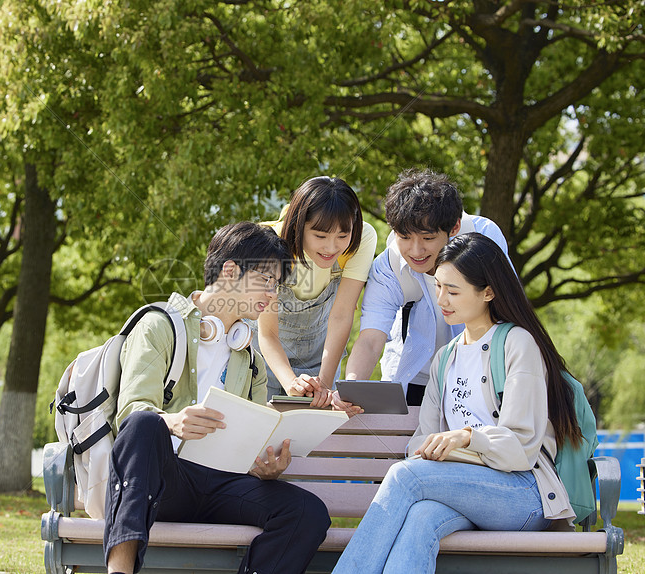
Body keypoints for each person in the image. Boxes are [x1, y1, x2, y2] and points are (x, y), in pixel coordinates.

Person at [332, 233, 581, 574]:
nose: (441, 300)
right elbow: (421, 441)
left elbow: (520, 448)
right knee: (420, 518)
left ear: (488, 292)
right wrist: (437, 450)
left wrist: (465, 438)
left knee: (404, 477)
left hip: (522, 494)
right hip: (462, 488)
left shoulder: (516, 344)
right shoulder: (444, 359)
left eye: (453, 291)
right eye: (438, 287)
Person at [104, 222, 331, 574]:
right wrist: (173, 422)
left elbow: (251, 434)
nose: (273, 294)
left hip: (222, 482)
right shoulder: (159, 325)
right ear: (229, 271)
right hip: (165, 481)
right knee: (144, 424)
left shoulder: (250, 355)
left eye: (277, 285)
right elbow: (131, 413)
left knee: (307, 512)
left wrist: (266, 466)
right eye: (266, 280)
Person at [343, 168, 508, 407]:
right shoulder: (388, 267)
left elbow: (506, 311)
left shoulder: (484, 238)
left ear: (454, 228)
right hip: (412, 378)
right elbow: (370, 340)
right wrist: (353, 390)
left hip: (479, 375)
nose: (416, 251)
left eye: (428, 238)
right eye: (405, 237)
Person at [254, 176, 377, 405]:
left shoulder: (362, 239)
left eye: (342, 236)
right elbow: (267, 333)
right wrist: (291, 383)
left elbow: (341, 315)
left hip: (323, 355)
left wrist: (324, 386)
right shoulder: (268, 241)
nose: (332, 248)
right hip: (265, 358)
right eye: (320, 236)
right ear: (298, 225)